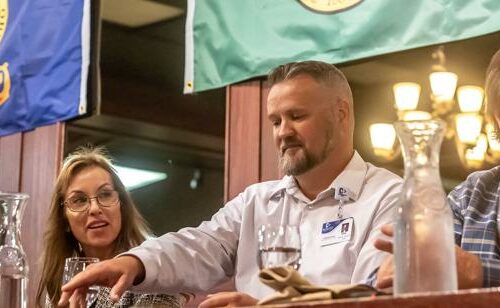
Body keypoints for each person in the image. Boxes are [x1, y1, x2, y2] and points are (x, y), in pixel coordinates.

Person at [59, 61, 402, 307]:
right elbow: (198, 246)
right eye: (275, 120)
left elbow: (375, 299)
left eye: (297, 116)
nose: (283, 131)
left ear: (341, 114)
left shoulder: (390, 197)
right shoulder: (258, 201)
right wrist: (133, 263)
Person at [375, 48, 500, 289]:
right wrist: (399, 270)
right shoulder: (472, 193)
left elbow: (464, 270)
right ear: (496, 117)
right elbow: (388, 281)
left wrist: (478, 272)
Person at [36, 146, 185, 307]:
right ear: (64, 220)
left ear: (121, 205)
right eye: (79, 200)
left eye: (105, 194)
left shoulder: (154, 269)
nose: (94, 208)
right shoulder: (64, 276)